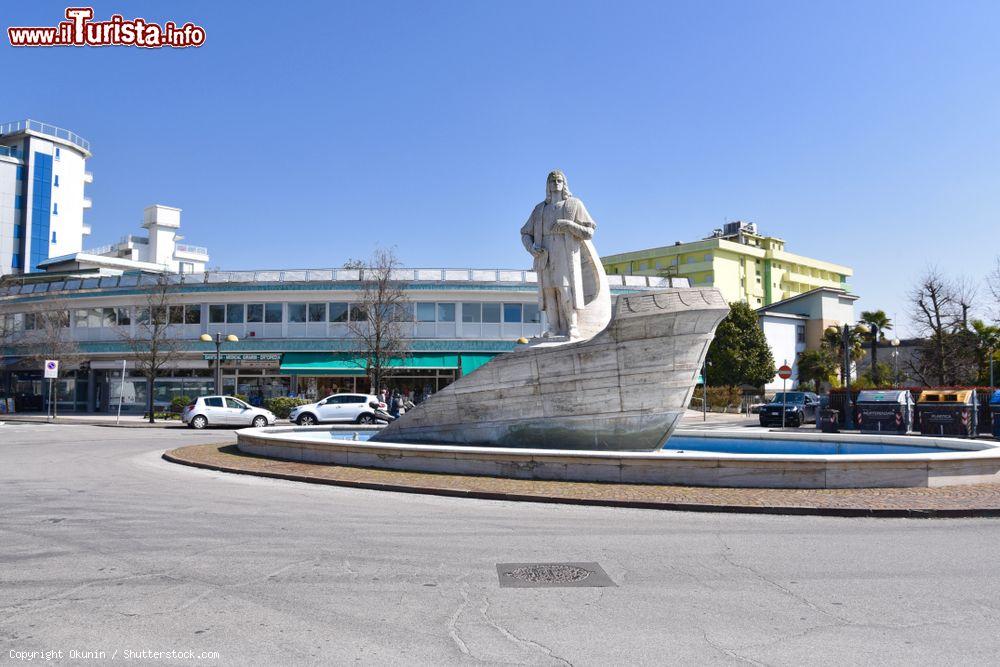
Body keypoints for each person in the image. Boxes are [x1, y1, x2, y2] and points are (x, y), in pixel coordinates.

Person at [520, 170, 608, 339]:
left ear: (564, 183)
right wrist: (532, 248)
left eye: (559, 180)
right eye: (552, 181)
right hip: (545, 254)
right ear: (547, 185)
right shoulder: (539, 209)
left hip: (565, 253)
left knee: (565, 290)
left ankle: (572, 326)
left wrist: (569, 224)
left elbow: (589, 231)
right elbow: (525, 233)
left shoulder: (574, 204)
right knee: (549, 292)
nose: (555, 183)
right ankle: (553, 328)